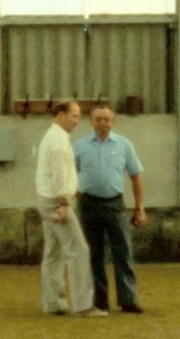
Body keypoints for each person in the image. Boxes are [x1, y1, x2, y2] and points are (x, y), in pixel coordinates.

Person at [73, 103, 147, 313]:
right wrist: (72, 196)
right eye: (98, 119)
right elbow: (70, 174)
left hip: (115, 204)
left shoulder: (124, 145)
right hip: (88, 204)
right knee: (93, 253)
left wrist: (139, 208)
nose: (103, 122)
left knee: (123, 251)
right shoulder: (79, 146)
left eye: (107, 119)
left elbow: (135, 175)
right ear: (91, 121)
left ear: (112, 122)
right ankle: (99, 300)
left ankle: (128, 299)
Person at [33, 99, 97, 317]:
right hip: (56, 201)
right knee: (79, 251)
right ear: (60, 114)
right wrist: (63, 202)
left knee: (54, 252)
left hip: (47, 199)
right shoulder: (59, 142)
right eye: (74, 116)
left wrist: (71, 190)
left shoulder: (52, 137)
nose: (77, 121)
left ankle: (54, 304)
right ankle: (84, 305)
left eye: (78, 116)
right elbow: (59, 174)